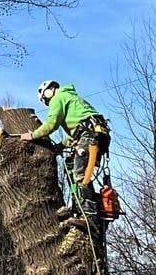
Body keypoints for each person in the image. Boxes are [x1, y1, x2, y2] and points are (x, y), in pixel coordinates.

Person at [20, 80, 111, 233]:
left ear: (50, 90)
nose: (47, 102)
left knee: (81, 175)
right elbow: (76, 134)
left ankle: (89, 217)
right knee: (73, 166)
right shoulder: (72, 98)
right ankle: (81, 208)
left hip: (89, 136)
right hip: (96, 135)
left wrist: (32, 135)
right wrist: (60, 146)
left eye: (46, 99)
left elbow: (51, 124)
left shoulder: (59, 98)